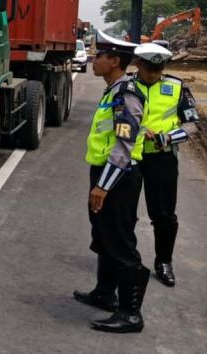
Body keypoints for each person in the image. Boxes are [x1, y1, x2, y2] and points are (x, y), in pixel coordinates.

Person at [73, 30, 148, 333]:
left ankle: (131, 314)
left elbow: (123, 147)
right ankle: (105, 293)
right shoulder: (113, 89)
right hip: (106, 173)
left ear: (114, 61)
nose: (94, 59)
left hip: (119, 177)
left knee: (120, 243)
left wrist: (102, 186)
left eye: (100, 55)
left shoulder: (125, 94)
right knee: (103, 236)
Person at [133, 42, 199, 287]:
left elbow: (192, 124)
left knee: (163, 214)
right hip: (131, 156)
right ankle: (127, 259)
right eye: (149, 68)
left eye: (159, 69)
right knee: (125, 212)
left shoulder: (178, 87)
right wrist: (139, 129)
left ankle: (164, 261)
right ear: (138, 64)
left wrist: (169, 137)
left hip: (162, 158)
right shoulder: (126, 87)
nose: (154, 74)